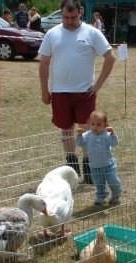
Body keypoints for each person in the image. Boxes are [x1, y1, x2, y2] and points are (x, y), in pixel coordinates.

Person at [38, 0, 116, 184]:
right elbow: (44, 63)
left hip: (84, 93)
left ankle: (89, 167)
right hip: (59, 92)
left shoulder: (92, 32)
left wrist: (97, 86)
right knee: (65, 129)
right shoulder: (52, 34)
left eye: (73, 17)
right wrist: (44, 90)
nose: (69, 21)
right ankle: (71, 168)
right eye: (65, 17)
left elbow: (110, 57)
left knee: (87, 129)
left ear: (80, 12)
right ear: (61, 13)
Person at [75, 111, 122, 206]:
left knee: (113, 181)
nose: (95, 127)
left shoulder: (107, 135)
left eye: (99, 124)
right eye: (92, 124)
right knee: (99, 184)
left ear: (105, 125)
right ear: (89, 124)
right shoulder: (87, 135)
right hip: (94, 167)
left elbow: (114, 143)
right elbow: (80, 143)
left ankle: (116, 195)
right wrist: (79, 135)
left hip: (108, 165)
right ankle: (100, 197)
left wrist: (112, 134)